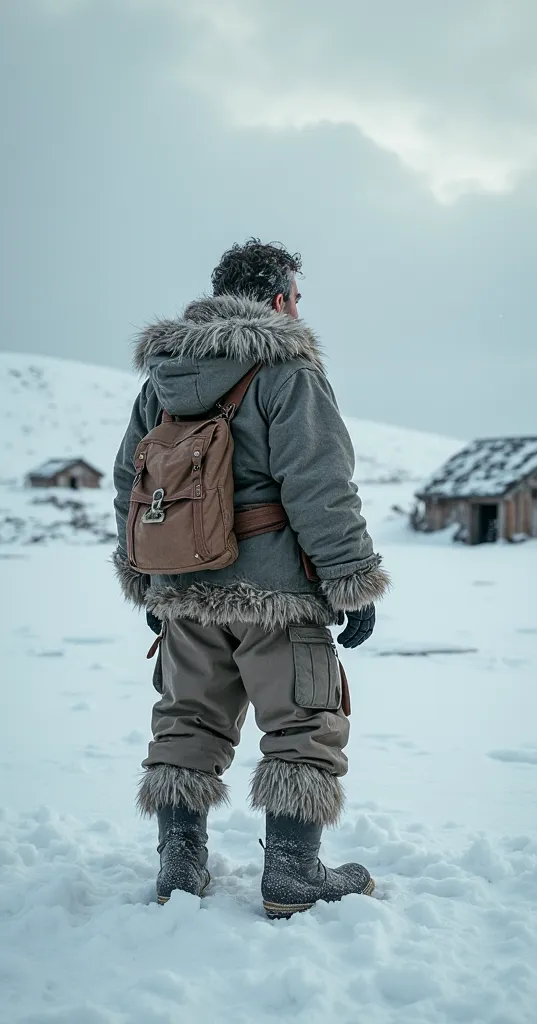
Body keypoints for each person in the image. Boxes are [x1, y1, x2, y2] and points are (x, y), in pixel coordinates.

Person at [113, 239, 390, 918]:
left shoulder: (164, 380)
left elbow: (130, 482)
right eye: (295, 297)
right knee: (303, 723)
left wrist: (148, 580)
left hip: (183, 588)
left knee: (186, 720)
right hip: (278, 594)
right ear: (275, 300)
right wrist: (351, 578)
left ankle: (179, 869)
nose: (299, 310)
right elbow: (321, 485)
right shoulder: (286, 371)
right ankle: (292, 874)